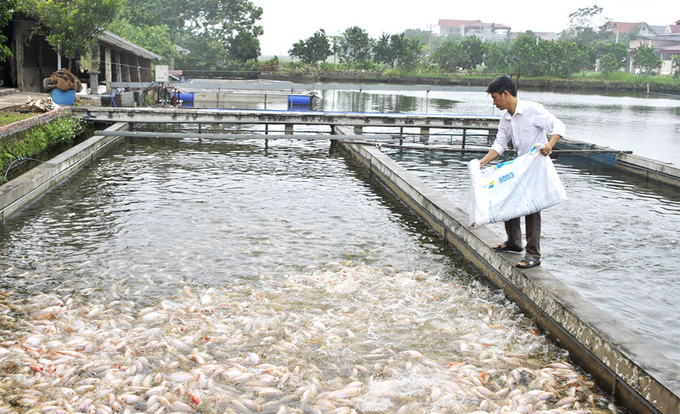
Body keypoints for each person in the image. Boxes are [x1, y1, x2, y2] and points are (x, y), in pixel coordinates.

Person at [478, 75, 565, 269]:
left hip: (536, 165)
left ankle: (533, 253)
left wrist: (550, 144)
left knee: (532, 209)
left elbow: (558, 125)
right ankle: (514, 242)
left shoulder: (533, 110)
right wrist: (483, 162)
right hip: (520, 165)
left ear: (505, 94)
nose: (494, 102)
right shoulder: (506, 118)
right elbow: (500, 143)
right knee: (509, 198)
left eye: (495, 98)